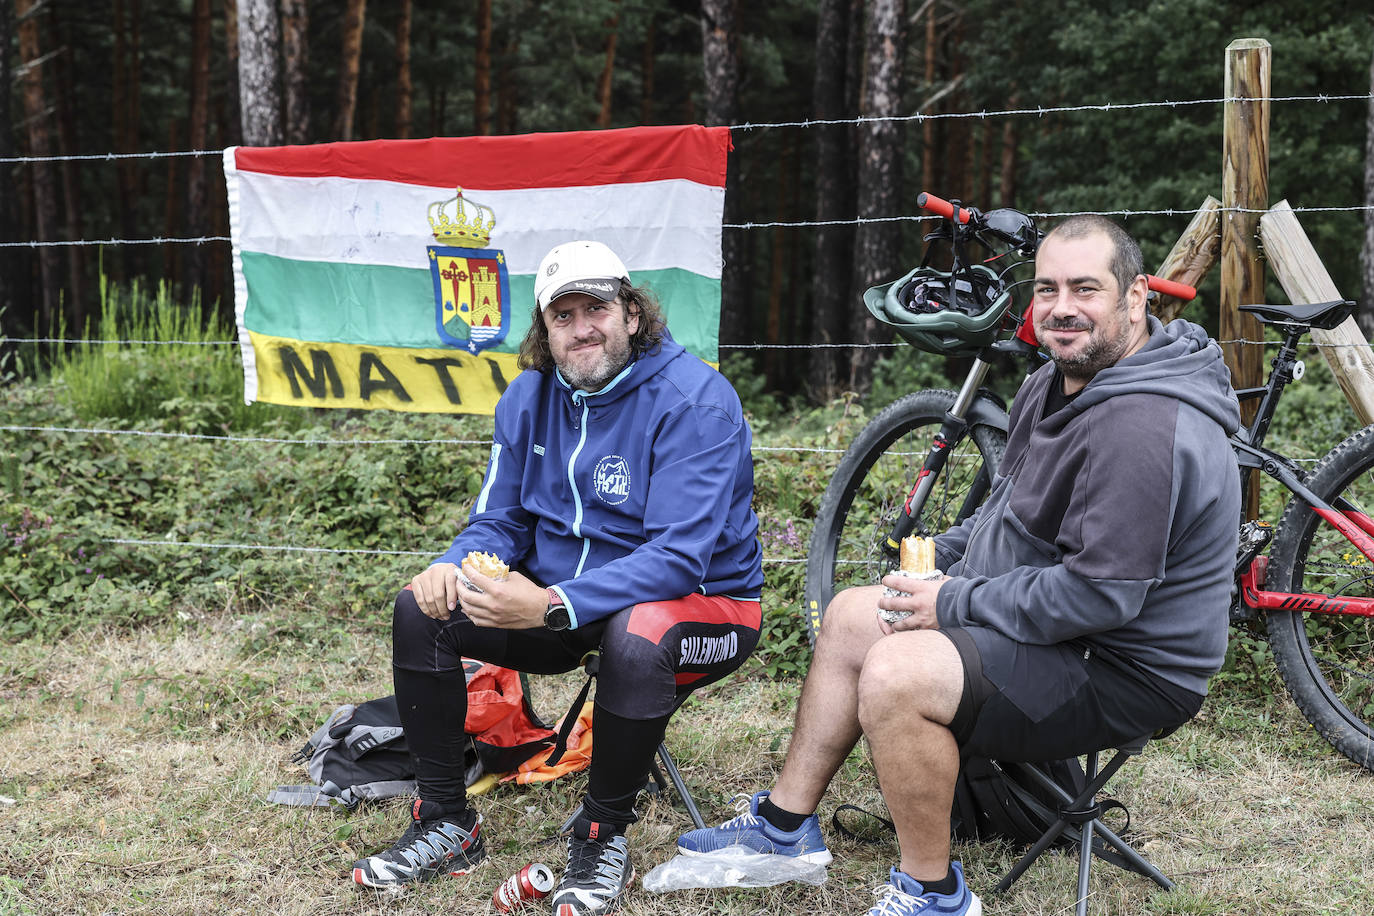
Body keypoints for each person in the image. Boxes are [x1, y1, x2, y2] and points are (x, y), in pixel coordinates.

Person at [677, 216, 1241, 916]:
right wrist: (942, 557)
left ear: (1135, 300)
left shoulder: (1144, 429)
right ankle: (785, 828)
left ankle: (932, 893)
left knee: (898, 674)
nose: (1062, 307)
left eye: (1086, 289)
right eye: (1047, 289)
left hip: (1127, 666)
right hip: (1066, 631)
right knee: (858, 613)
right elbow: (1005, 516)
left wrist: (954, 604)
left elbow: (1102, 597)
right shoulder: (1052, 381)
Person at [352, 240, 765, 916]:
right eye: (562, 315)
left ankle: (600, 837)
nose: (582, 329)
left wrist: (549, 603)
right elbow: (499, 520)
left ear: (633, 313)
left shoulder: (696, 402)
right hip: (557, 605)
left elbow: (678, 560)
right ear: (544, 331)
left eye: (596, 308)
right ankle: (446, 826)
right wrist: (451, 566)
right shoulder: (528, 396)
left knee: (640, 630)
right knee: (421, 610)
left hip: (705, 607)